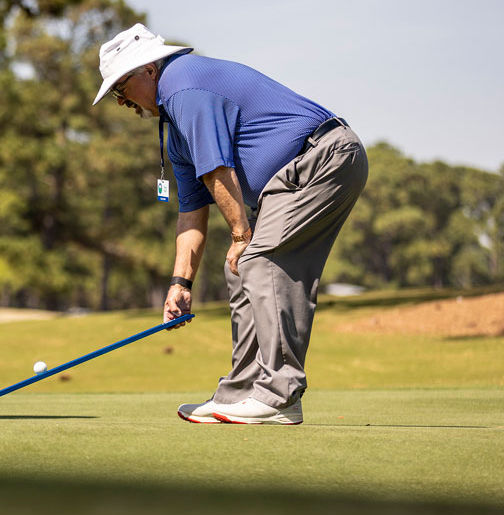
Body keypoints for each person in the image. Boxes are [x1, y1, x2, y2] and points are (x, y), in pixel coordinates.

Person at [92, 23, 367, 425]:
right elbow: (191, 211)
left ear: (149, 70)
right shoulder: (175, 124)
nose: (121, 101)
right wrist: (180, 284)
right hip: (294, 175)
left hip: (324, 158)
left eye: (121, 87)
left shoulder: (183, 87)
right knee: (240, 266)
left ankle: (280, 396)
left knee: (260, 259)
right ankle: (242, 392)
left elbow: (218, 170)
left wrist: (241, 234)